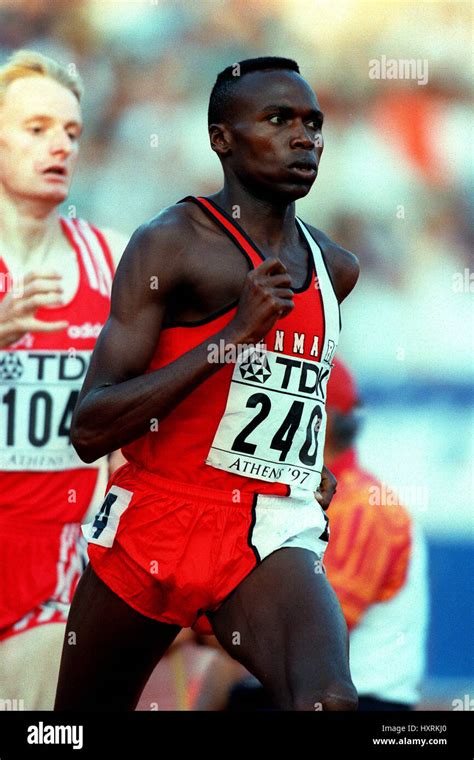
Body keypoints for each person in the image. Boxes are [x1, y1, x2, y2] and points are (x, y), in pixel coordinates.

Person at [54, 56, 360, 712]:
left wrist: (304, 465)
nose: (304, 138)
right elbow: (89, 428)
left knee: (328, 699)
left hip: (268, 529)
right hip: (154, 524)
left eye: (313, 123)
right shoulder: (170, 245)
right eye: (278, 120)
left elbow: (287, 399)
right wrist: (230, 338)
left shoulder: (337, 268)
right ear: (222, 137)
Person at [0, 50, 127, 709]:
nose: (60, 146)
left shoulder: (112, 260)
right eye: (37, 128)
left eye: (72, 133)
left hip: (62, 561)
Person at [194, 358, 429, 711]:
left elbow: (306, 641)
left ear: (321, 418)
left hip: (360, 700)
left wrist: (195, 628)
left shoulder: (366, 509)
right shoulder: (304, 495)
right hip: (298, 690)